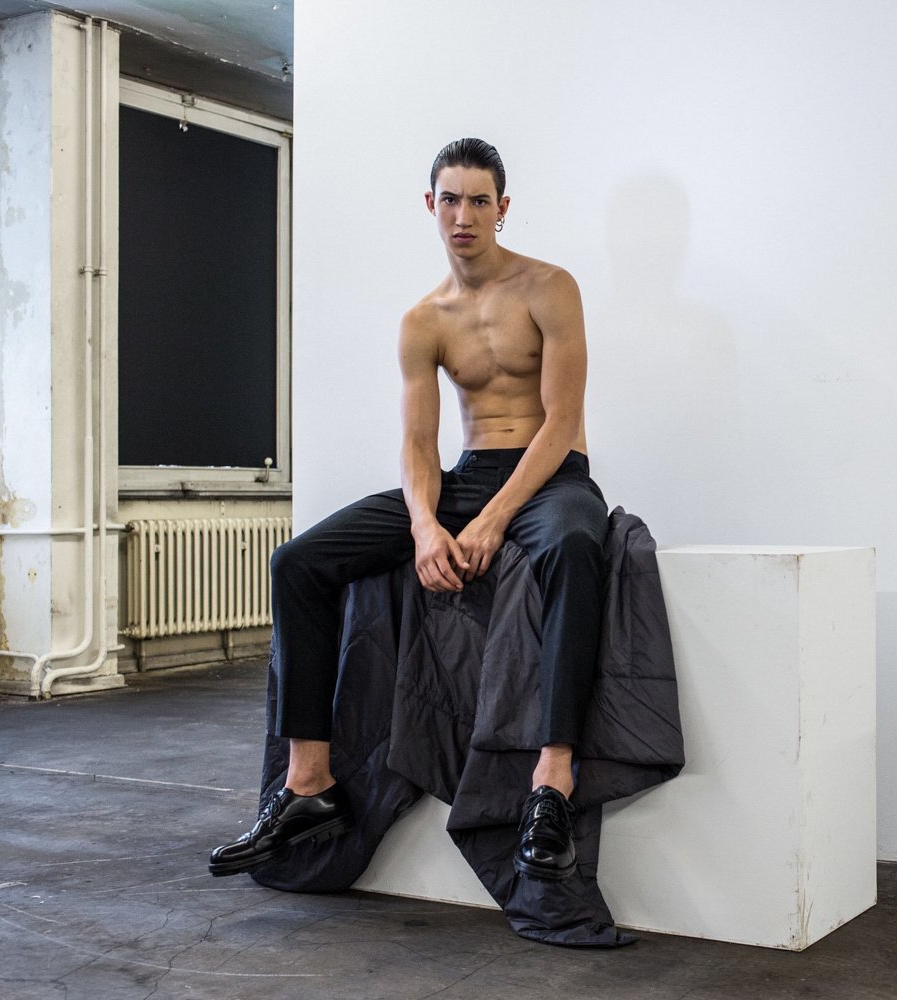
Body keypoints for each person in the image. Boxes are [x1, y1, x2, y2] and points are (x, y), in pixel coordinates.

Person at [209, 138, 606, 884]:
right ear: (432, 206)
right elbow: (420, 445)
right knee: (298, 562)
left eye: (479, 200)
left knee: (577, 546)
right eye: (450, 199)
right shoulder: (425, 319)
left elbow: (560, 422)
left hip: (551, 477)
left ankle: (552, 783)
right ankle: (307, 785)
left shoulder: (550, 288)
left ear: (502, 208)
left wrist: (491, 522)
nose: (464, 215)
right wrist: (428, 523)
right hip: (468, 472)